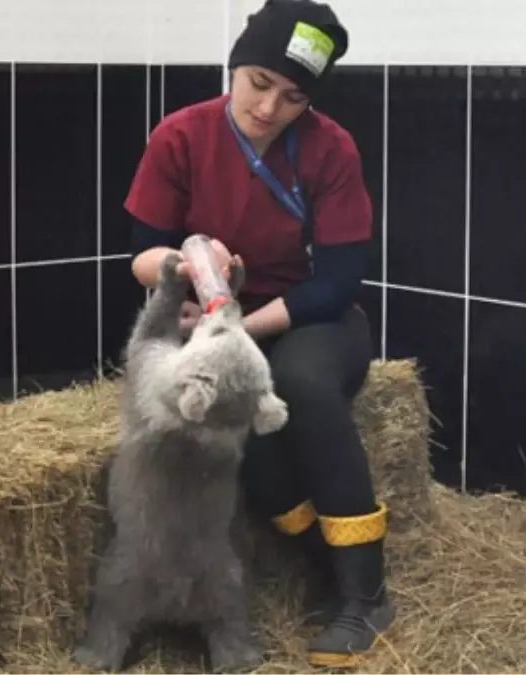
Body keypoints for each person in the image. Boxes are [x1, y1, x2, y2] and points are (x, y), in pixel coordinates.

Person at [121, 0, 392, 668]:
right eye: (258, 83)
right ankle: (317, 569)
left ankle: (366, 592)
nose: (268, 107)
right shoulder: (180, 137)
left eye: (292, 96)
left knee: (295, 381)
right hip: (215, 321)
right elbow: (140, 252)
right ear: (235, 67)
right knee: (232, 424)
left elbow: (338, 281)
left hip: (312, 320)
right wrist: (182, 272)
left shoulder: (331, 150)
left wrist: (237, 325)